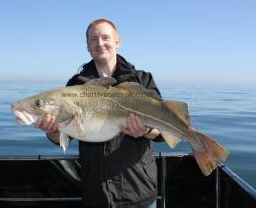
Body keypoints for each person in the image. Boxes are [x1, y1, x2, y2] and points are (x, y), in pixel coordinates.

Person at [35, 19, 162, 208]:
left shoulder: (143, 80)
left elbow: (163, 134)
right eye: (93, 39)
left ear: (117, 41)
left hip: (139, 192)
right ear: (87, 46)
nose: (100, 43)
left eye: (105, 37)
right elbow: (64, 138)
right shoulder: (75, 85)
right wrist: (52, 131)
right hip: (96, 195)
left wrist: (146, 131)